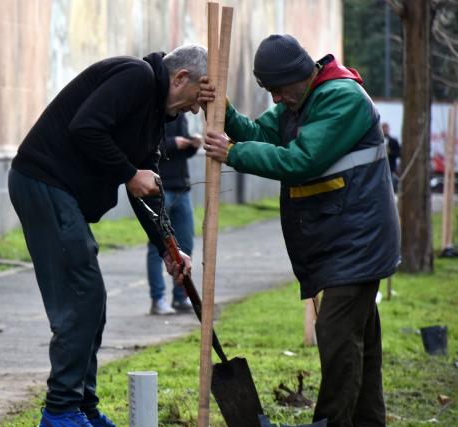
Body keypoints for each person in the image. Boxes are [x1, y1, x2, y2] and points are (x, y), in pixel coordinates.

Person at [8, 44, 214, 427]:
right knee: (81, 296)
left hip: (60, 191)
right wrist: (128, 173)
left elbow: (147, 189)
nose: (195, 110)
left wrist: (169, 248)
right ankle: (60, 412)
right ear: (181, 77)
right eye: (195, 98)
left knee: (93, 301)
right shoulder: (134, 76)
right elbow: (85, 127)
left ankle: (81, 407)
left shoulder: (154, 115)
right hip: (43, 181)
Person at [203, 34, 400, 427]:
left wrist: (233, 154)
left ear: (299, 75)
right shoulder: (300, 101)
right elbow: (259, 134)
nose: (275, 99)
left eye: (277, 89)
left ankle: (329, 421)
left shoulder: (340, 98)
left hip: (359, 242)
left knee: (336, 335)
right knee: (361, 345)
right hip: (339, 240)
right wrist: (221, 109)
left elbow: (303, 161)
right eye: (269, 91)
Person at [147, 112, 202, 315]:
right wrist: (173, 143)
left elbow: (181, 152)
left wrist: (191, 145)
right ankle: (158, 299)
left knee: (185, 245)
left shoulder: (181, 115)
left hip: (182, 188)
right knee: (159, 248)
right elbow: (146, 149)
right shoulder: (152, 112)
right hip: (158, 188)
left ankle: (181, 297)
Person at [382, 122, 400, 191]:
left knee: (390, 188)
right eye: (383, 128)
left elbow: (398, 153)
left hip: (391, 168)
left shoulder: (393, 141)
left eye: (386, 128)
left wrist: (390, 152)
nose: (384, 130)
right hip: (380, 168)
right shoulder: (377, 141)